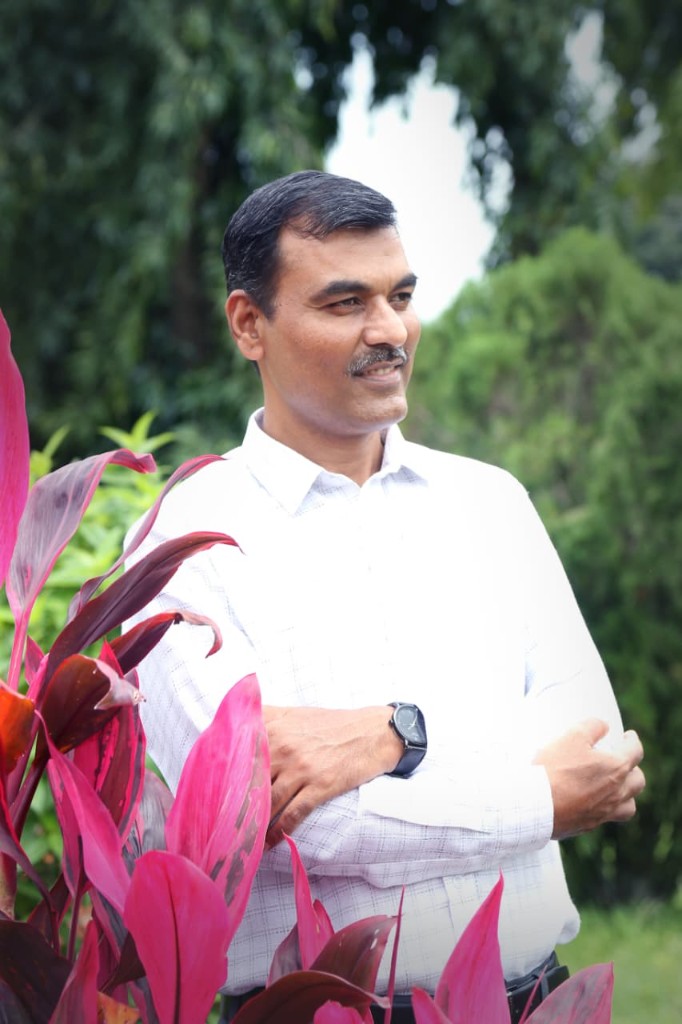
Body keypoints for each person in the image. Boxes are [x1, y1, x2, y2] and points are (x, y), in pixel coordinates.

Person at [128, 170, 645, 1023]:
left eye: (400, 295)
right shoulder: (184, 542)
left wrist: (386, 737)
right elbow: (298, 821)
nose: (390, 330)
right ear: (248, 324)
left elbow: (592, 743)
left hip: (535, 1001)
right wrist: (539, 796)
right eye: (344, 304)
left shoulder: (491, 503)